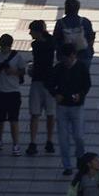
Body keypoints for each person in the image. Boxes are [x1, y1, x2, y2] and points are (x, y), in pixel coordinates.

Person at [50, 44, 89, 177]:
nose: (65, 61)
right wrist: (55, 94)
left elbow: (87, 84)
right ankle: (67, 166)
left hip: (77, 106)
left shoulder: (81, 67)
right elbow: (49, 83)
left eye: (67, 58)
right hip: (62, 106)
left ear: (73, 55)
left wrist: (80, 94)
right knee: (63, 138)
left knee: (78, 136)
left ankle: (80, 157)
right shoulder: (59, 68)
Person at [0, 33, 23, 154]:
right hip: (0, 91)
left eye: (3, 46)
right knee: (0, 119)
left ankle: (16, 144)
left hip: (13, 91)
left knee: (14, 119)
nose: (2, 49)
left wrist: (14, 71)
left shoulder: (17, 57)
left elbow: (22, 72)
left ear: (9, 46)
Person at [26, 19, 56, 157]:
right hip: (47, 81)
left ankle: (34, 142)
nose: (30, 33)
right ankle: (48, 141)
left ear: (38, 32)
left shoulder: (37, 45)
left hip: (40, 81)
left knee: (37, 113)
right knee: (48, 113)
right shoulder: (51, 42)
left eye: (32, 30)